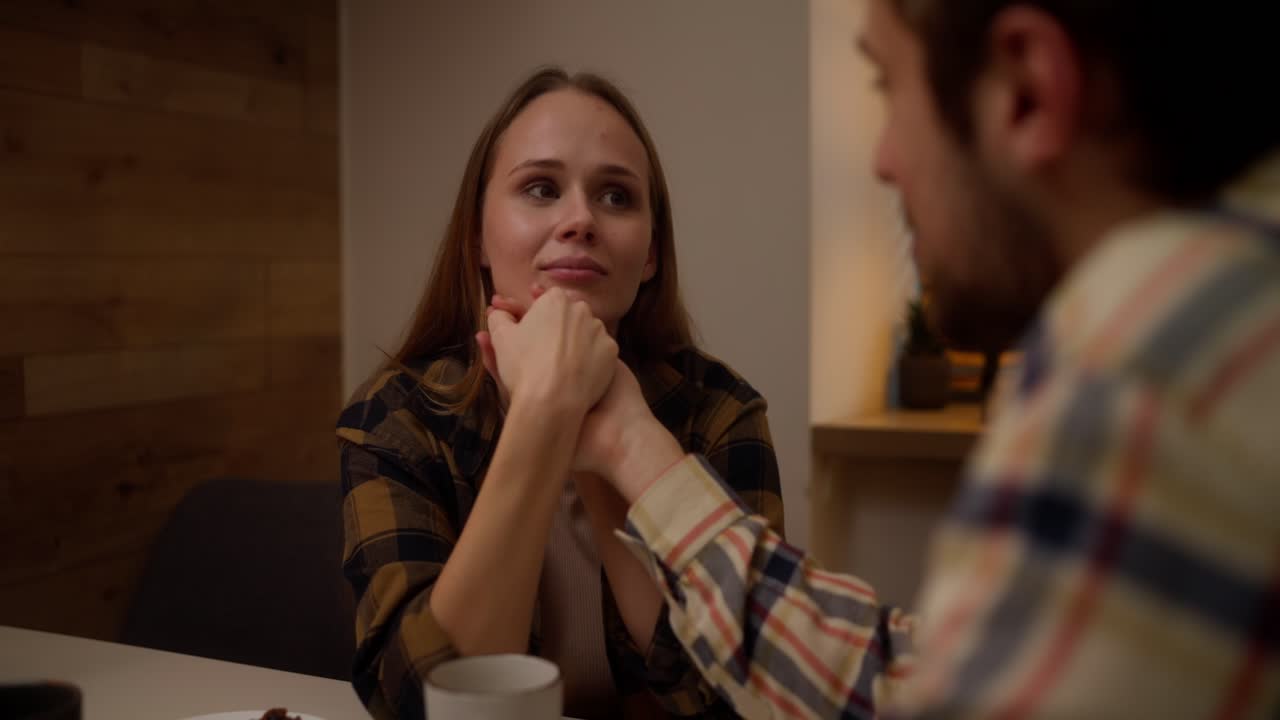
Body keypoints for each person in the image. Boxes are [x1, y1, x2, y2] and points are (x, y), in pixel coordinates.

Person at [482, 1, 1280, 717]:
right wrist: (621, 436)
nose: (882, 159)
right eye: (539, 189)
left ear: (1029, 90)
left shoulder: (1143, 382)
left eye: (887, 85)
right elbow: (918, 681)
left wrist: (607, 438)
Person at [336, 67, 784, 720]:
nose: (579, 220)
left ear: (651, 253)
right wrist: (544, 418)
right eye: (541, 189)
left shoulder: (721, 416)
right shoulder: (394, 420)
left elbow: (739, 702)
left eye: (616, 197)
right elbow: (421, 704)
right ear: (477, 240)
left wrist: (602, 438)